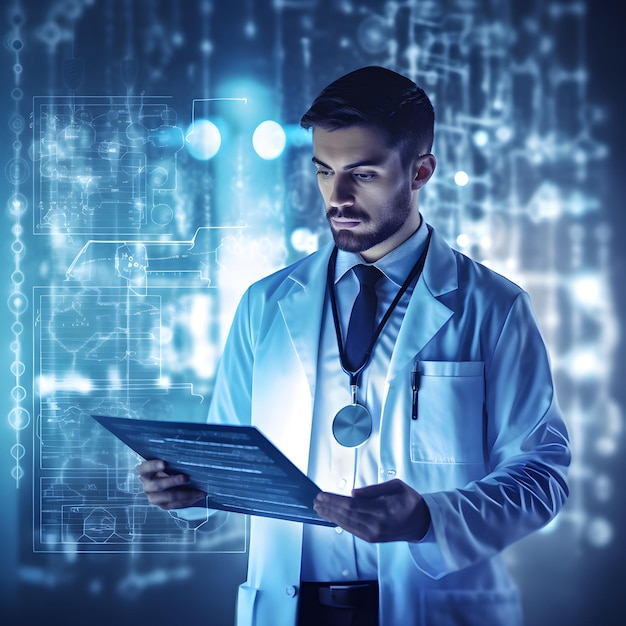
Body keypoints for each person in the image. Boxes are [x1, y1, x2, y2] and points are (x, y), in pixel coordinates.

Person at [138, 66, 570, 626]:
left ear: (421, 171)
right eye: (324, 171)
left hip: (432, 607)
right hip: (291, 610)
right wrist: (191, 494)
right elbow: (229, 470)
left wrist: (428, 519)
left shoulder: (494, 307)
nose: (336, 197)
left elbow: (542, 477)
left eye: (361, 175)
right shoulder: (264, 305)